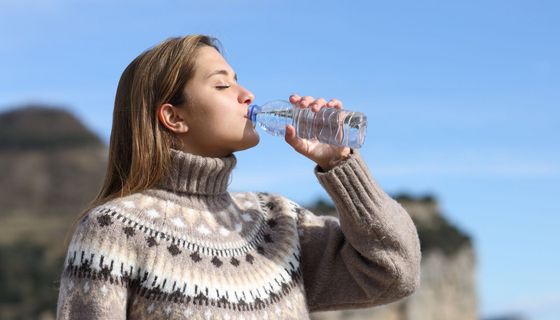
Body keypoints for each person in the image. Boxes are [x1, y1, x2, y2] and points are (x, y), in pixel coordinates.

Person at [56, 34, 421, 319]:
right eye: (222, 85)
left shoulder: (277, 222)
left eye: (238, 81)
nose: (247, 95)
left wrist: (340, 162)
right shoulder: (113, 230)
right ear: (174, 117)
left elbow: (395, 272)